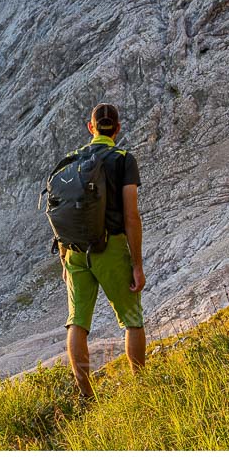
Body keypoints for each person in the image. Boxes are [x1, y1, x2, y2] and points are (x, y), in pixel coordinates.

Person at [60, 103, 145, 400]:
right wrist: (137, 264)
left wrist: (64, 257)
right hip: (110, 246)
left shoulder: (71, 160)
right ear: (118, 129)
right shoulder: (123, 160)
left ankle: (86, 395)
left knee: (77, 322)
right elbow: (131, 215)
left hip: (73, 250)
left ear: (90, 127)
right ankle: (140, 388)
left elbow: (63, 209)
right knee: (132, 320)